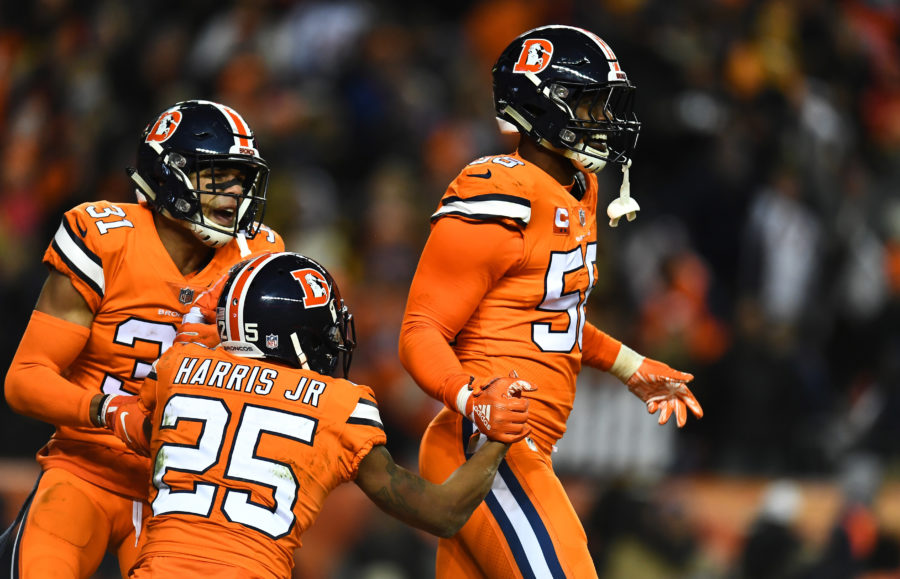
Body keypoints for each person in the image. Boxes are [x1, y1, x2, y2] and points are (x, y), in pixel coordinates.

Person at [398, 25, 704, 577]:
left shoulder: (580, 188)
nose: (603, 120)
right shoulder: (498, 190)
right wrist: (473, 399)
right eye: (588, 105)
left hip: (515, 445)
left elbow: (551, 314)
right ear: (539, 106)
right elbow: (420, 329)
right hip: (487, 444)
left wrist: (629, 366)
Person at [100, 251, 533, 578]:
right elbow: (443, 512)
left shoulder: (177, 367)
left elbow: (139, 422)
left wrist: (106, 407)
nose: (332, 343)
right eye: (325, 332)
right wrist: (496, 437)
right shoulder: (338, 403)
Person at [1, 99, 285, 578]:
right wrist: (109, 411)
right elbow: (25, 379)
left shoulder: (257, 257)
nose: (236, 191)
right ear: (169, 173)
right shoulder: (108, 237)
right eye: (218, 174)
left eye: (241, 178)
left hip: (181, 498)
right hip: (84, 469)